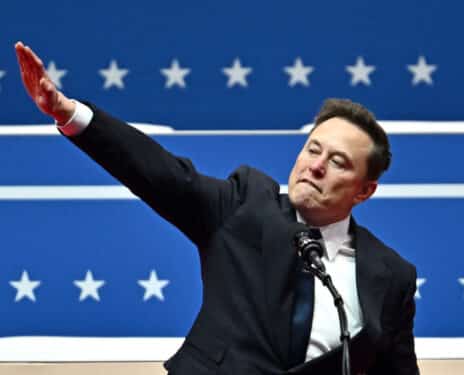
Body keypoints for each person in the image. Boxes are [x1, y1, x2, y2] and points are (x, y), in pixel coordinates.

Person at [15, 41, 419, 375]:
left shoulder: (391, 275)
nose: (316, 165)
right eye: (313, 148)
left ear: (364, 191)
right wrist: (69, 114)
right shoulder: (244, 205)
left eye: (337, 161)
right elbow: (161, 174)